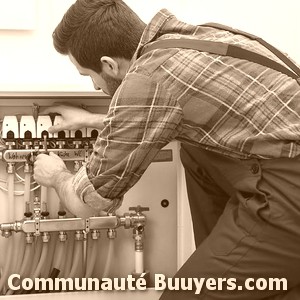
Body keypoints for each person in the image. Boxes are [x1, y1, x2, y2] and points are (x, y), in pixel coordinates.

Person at [33, 0, 300, 299]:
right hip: (283, 167)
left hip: (289, 196)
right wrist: (95, 119)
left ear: (108, 64)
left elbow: (89, 201)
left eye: (88, 75)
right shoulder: (196, 38)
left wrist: (56, 174)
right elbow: (168, 112)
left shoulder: (146, 82)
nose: (95, 87)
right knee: (195, 150)